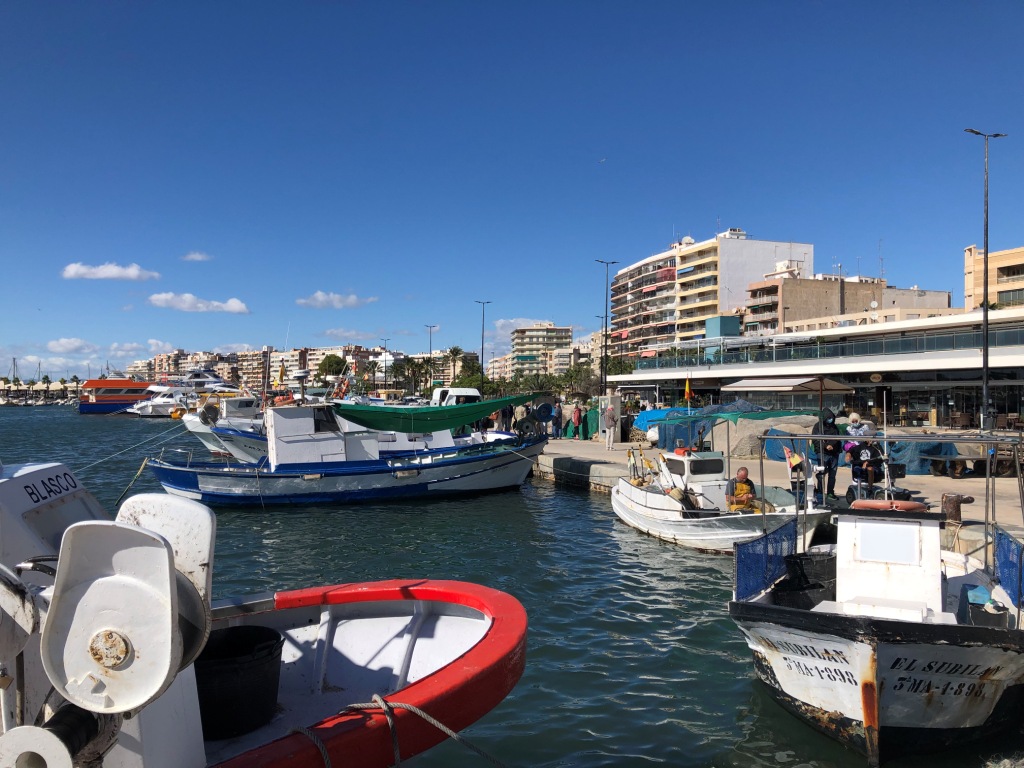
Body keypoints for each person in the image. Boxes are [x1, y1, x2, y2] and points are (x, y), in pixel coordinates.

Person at [817, 410, 843, 501]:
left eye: (831, 418)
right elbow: (816, 439)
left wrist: (832, 445)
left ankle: (830, 492)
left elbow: (837, 438)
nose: (830, 420)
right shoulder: (818, 426)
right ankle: (820, 492)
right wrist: (825, 446)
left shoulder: (834, 427)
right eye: (828, 418)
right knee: (821, 473)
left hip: (834, 453)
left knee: (832, 474)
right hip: (823, 453)